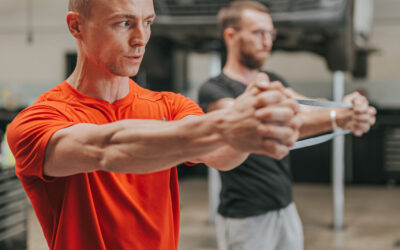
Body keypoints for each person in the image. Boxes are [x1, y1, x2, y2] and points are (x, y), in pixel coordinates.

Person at [6, 0, 302, 249]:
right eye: (123, 23)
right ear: (76, 26)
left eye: (147, 22)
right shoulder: (38, 120)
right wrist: (226, 125)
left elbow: (221, 153)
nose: (141, 39)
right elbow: (105, 148)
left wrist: (248, 130)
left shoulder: (170, 105)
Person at [198, 1, 377, 250]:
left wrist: (346, 107)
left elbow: (311, 107)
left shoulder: (274, 81)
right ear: (231, 35)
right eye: (258, 32)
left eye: (271, 33)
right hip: (246, 216)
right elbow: (256, 129)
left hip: (285, 209)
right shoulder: (215, 89)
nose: (267, 41)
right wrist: (337, 118)